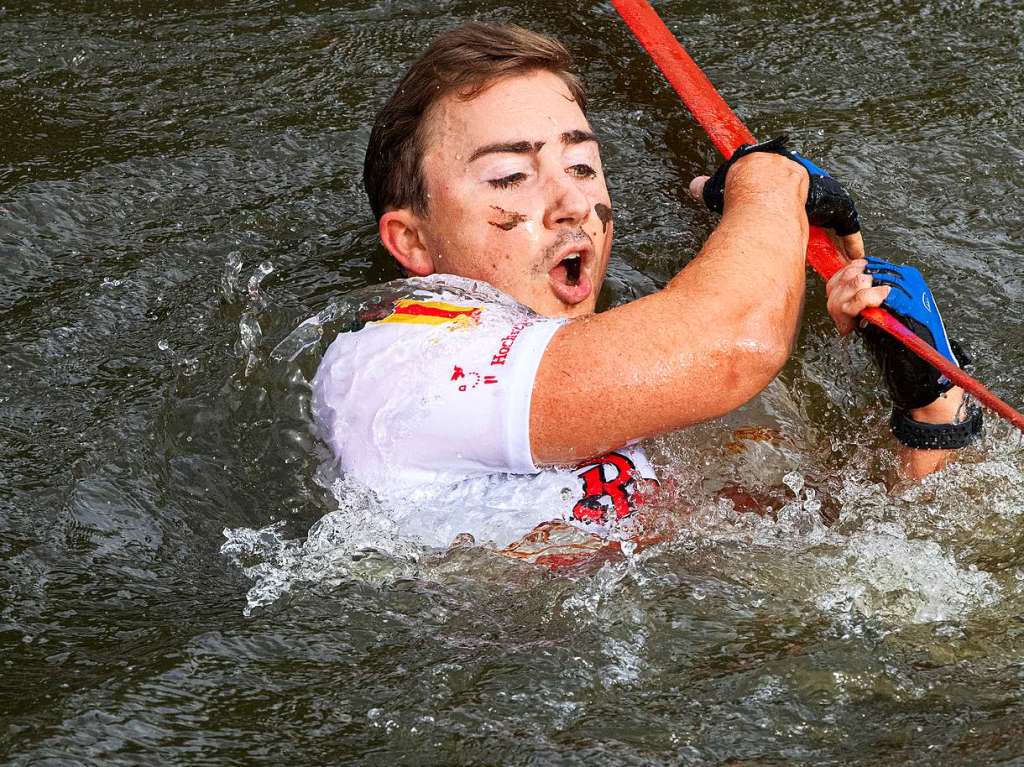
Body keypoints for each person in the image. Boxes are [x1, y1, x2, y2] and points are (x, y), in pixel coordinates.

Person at [311, 23, 982, 553]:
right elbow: (732, 343)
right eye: (510, 177)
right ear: (413, 242)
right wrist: (771, 184)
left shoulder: (597, 367)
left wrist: (926, 413)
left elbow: (843, 545)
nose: (570, 200)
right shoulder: (395, 369)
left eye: (581, 163)